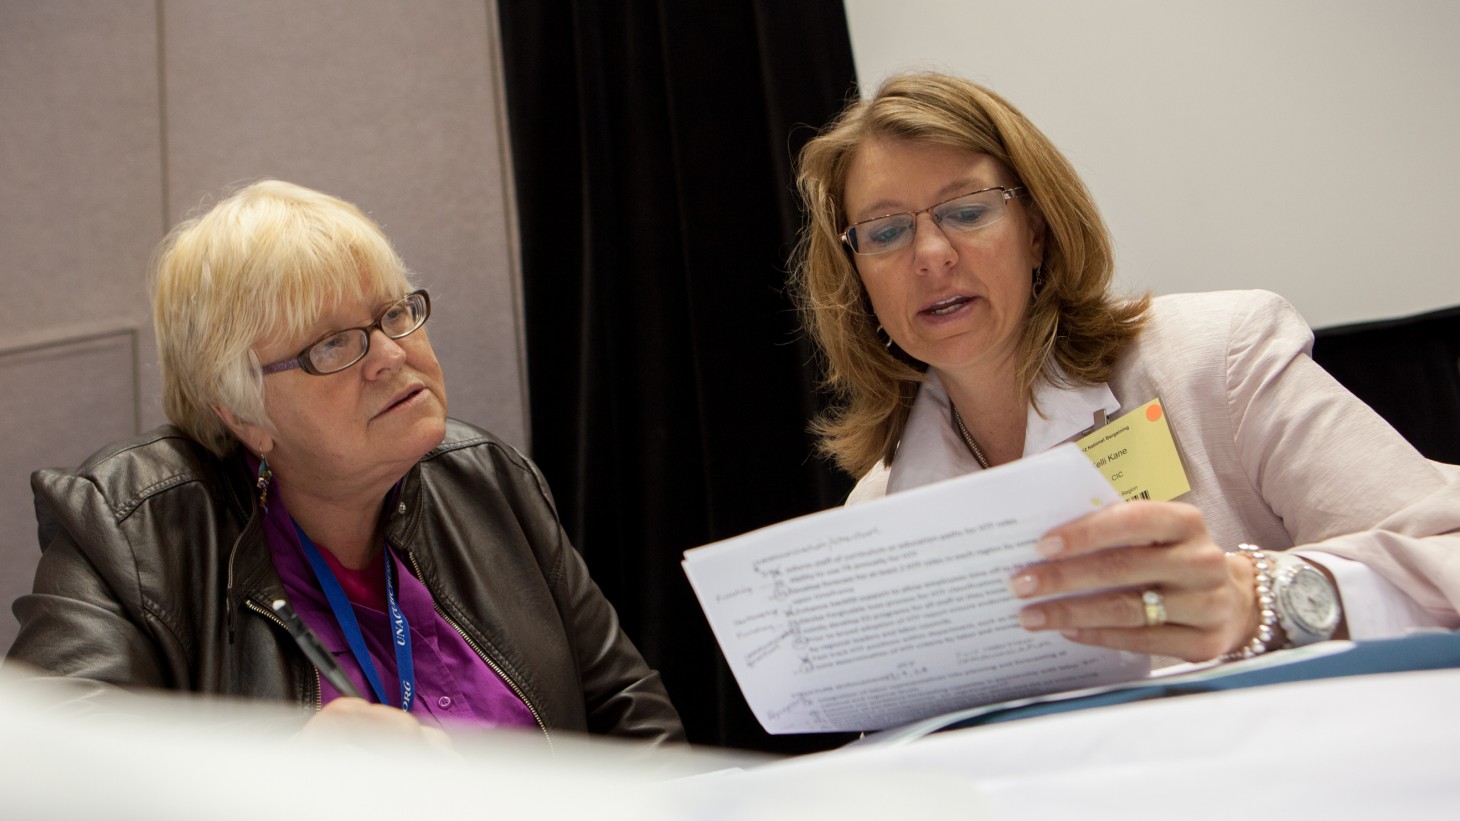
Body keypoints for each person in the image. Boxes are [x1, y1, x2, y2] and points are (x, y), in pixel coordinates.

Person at [790, 72, 1460, 664]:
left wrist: (1257, 602)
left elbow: (1448, 558)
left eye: (967, 211)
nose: (930, 254)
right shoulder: (879, 508)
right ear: (856, 276)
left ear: (1038, 231)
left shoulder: (1218, 358)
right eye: (884, 232)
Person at [6, 180, 683, 745]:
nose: (392, 354)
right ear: (243, 412)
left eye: (393, 313)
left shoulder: (487, 478)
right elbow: (51, 775)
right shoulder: (131, 529)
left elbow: (635, 722)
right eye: (332, 345)